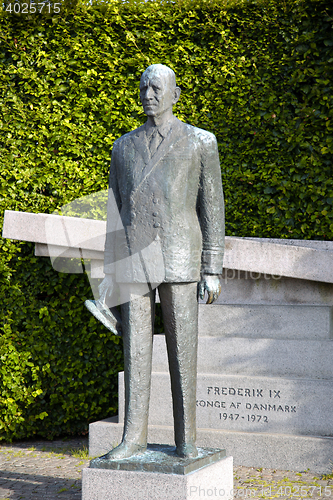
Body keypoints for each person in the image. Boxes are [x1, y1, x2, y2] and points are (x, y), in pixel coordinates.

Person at [96, 64, 224, 461]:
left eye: (157, 88)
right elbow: (115, 214)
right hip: (134, 259)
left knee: (182, 352)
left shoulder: (200, 142)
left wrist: (212, 267)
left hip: (180, 257)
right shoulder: (123, 147)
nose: (149, 94)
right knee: (134, 352)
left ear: (175, 93)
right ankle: (132, 438)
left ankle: (186, 439)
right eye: (143, 87)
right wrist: (109, 271)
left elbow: (212, 207)